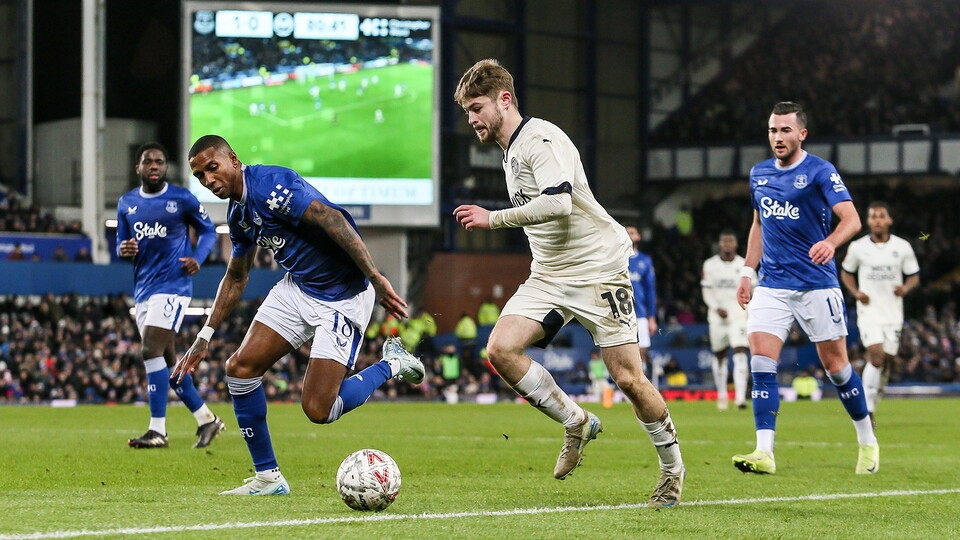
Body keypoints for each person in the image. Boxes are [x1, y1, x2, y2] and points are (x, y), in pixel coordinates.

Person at [452, 59, 685, 507]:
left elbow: (557, 204)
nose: (472, 119)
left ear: (505, 99)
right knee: (500, 349)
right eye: (466, 112)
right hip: (550, 274)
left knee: (629, 378)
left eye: (477, 107)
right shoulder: (510, 151)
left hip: (599, 269)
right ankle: (576, 421)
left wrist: (492, 217)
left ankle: (672, 471)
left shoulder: (540, 139)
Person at [172, 135, 424, 496]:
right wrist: (204, 336)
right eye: (200, 176)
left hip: (343, 296)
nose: (209, 180)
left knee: (320, 410)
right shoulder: (239, 215)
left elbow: (330, 217)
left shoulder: (271, 185)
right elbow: (237, 276)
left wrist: (376, 278)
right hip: (298, 288)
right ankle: (269, 479)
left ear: (233, 159)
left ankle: (393, 363)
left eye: (213, 168)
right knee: (239, 369)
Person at [732, 102, 878, 475]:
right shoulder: (759, 173)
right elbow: (759, 225)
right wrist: (748, 271)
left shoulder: (819, 171)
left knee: (837, 368)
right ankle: (765, 452)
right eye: (772, 130)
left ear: (801, 134)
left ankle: (867, 439)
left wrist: (831, 242)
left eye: (784, 131)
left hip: (816, 284)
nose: (777, 138)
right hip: (772, 285)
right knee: (761, 361)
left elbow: (852, 219)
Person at [116, 142, 223, 449]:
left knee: (149, 350)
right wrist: (122, 249)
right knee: (169, 362)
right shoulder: (127, 203)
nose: (154, 166)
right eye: (148, 161)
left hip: (173, 286)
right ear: (138, 168)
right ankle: (207, 419)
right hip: (144, 289)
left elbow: (208, 231)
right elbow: (122, 243)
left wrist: (199, 258)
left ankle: (157, 430)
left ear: (165, 167)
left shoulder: (181, 198)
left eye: (159, 162)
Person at [840, 201, 919, 424]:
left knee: (887, 360)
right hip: (869, 311)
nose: (876, 220)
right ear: (867, 221)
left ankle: (874, 401)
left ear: (889, 221)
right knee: (876, 356)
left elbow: (913, 275)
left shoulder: (902, 247)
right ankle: (867, 409)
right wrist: (856, 292)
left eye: (881, 216)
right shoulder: (858, 247)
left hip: (893, 313)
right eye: (873, 216)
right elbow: (846, 273)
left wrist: (905, 288)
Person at [701, 229, 752, 410]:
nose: (728, 244)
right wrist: (716, 308)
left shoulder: (745, 264)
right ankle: (722, 396)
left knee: (740, 352)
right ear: (720, 244)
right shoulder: (710, 265)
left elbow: (753, 290)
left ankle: (740, 398)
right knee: (720, 354)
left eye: (731, 241)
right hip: (717, 316)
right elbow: (706, 291)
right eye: (725, 241)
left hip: (738, 315)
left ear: (736, 244)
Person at [625, 225, 659, 389]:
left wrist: (652, 317)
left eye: (631, 232)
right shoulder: (615, 259)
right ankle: (628, 388)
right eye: (625, 233)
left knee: (642, 352)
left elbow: (650, 290)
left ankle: (642, 388)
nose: (629, 235)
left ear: (638, 236)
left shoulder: (645, 261)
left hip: (640, 313)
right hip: (621, 313)